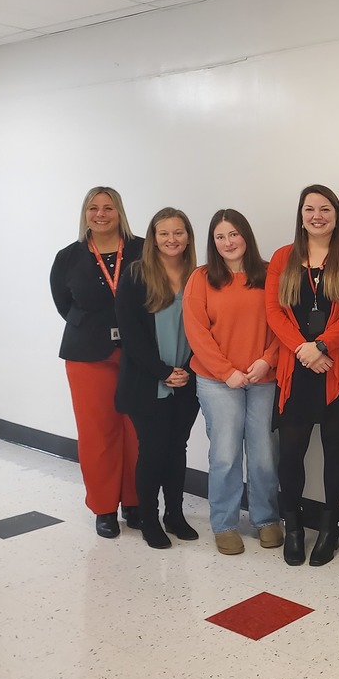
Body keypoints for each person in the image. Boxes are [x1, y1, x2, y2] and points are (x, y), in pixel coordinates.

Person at [265, 185, 339, 567]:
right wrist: (303, 350)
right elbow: (274, 313)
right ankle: (293, 525)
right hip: (298, 368)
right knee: (290, 453)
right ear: (301, 215)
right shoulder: (282, 257)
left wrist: (321, 346)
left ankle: (330, 528)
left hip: (336, 367)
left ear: (336, 215)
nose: (317, 216)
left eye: (325, 209)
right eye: (310, 209)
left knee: (335, 451)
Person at [183, 209, 282, 556]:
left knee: (264, 455)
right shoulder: (201, 279)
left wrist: (267, 360)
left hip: (262, 378)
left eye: (234, 234)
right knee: (224, 455)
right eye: (220, 237)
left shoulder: (270, 274)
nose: (228, 242)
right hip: (216, 381)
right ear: (213, 242)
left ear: (246, 236)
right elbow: (197, 333)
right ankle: (224, 523)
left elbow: (282, 326)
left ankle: (267, 519)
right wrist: (227, 372)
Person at [50, 187, 145, 538]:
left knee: (137, 432)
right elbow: (64, 303)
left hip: (139, 353)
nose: (101, 214)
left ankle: (136, 501)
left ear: (119, 212)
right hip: (87, 354)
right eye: (94, 208)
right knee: (98, 433)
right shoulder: (69, 256)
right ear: (85, 213)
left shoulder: (141, 249)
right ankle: (104, 507)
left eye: (108, 207)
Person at [115, 208, 200, 550]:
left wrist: (187, 369)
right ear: (153, 238)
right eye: (164, 233)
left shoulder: (199, 276)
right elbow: (131, 336)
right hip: (147, 380)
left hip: (187, 378)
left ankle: (174, 515)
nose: (171, 239)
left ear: (188, 237)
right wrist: (164, 372)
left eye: (178, 232)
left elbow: (209, 328)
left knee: (176, 449)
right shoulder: (136, 276)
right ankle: (149, 518)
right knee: (152, 451)